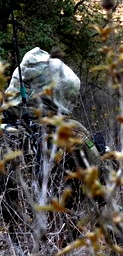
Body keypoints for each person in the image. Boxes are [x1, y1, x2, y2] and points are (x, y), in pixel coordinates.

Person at [0, 48, 103, 236]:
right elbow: (103, 188)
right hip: (56, 236)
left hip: (9, 241)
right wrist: (102, 153)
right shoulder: (70, 130)